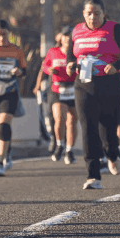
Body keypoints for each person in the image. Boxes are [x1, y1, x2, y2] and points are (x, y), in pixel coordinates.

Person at [70, 0, 120, 189]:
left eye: (97, 14)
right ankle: (93, 175)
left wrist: (116, 66)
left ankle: (113, 153)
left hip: (109, 84)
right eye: (89, 14)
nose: (93, 18)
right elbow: (70, 54)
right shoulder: (77, 31)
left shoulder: (114, 29)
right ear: (84, 14)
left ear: (103, 14)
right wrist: (69, 64)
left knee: (108, 127)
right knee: (88, 127)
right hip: (83, 84)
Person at [0, 21, 26, 175]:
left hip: (9, 91)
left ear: (9, 34)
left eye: (4, 34)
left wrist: (19, 72)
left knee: (3, 124)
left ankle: (0, 162)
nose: (1, 38)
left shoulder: (16, 50)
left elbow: (24, 70)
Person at [36, 26, 77, 164]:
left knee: (72, 122)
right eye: (65, 36)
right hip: (57, 89)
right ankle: (60, 144)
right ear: (61, 38)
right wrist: (50, 69)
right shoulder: (53, 52)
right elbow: (45, 66)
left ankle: (69, 150)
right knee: (59, 118)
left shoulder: (77, 52)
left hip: (74, 89)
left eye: (70, 36)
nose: (67, 39)